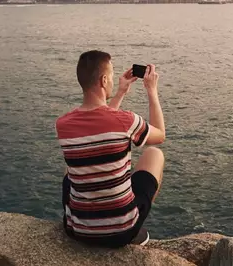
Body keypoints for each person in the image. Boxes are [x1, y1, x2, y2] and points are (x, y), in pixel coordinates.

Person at [55, 50, 166, 247]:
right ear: (104, 80)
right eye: (113, 76)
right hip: (121, 233)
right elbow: (159, 135)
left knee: (70, 170)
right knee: (154, 154)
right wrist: (152, 90)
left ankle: (90, 220)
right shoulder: (125, 120)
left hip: (77, 230)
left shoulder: (63, 124)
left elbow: (101, 122)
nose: (114, 81)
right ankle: (134, 227)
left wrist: (121, 92)